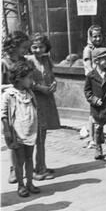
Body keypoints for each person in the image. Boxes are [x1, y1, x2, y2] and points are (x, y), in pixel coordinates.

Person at [1, 60, 40, 197]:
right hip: (16, 133)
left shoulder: (29, 93)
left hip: (30, 131)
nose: (31, 80)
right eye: (29, 77)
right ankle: (21, 185)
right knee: (19, 160)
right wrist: (7, 132)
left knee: (29, 158)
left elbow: (35, 110)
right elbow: (4, 115)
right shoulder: (8, 95)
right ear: (19, 79)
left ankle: (30, 183)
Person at [26, 33, 60, 180]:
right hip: (35, 100)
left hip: (47, 101)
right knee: (38, 135)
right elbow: (26, 81)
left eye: (41, 47)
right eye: (34, 47)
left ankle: (41, 164)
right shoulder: (28, 61)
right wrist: (41, 88)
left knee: (43, 134)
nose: (38, 50)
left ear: (46, 47)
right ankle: (38, 169)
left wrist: (54, 84)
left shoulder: (47, 59)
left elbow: (51, 76)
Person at [2, 31, 30, 184]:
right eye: (23, 47)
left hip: (24, 104)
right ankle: (14, 169)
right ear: (13, 47)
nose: (26, 50)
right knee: (13, 140)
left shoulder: (25, 61)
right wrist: (14, 85)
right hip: (10, 105)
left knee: (24, 136)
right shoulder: (4, 63)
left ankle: (25, 168)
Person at [83, 25, 106, 149]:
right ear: (90, 37)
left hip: (102, 80)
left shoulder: (102, 48)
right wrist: (95, 77)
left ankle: (100, 135)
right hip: (93, 81)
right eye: (95, 36)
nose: (97, 38)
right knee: (93, 112)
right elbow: (88, 66)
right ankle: (92, 138)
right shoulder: (88, 50)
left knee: (102, 109)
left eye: (99, 36)